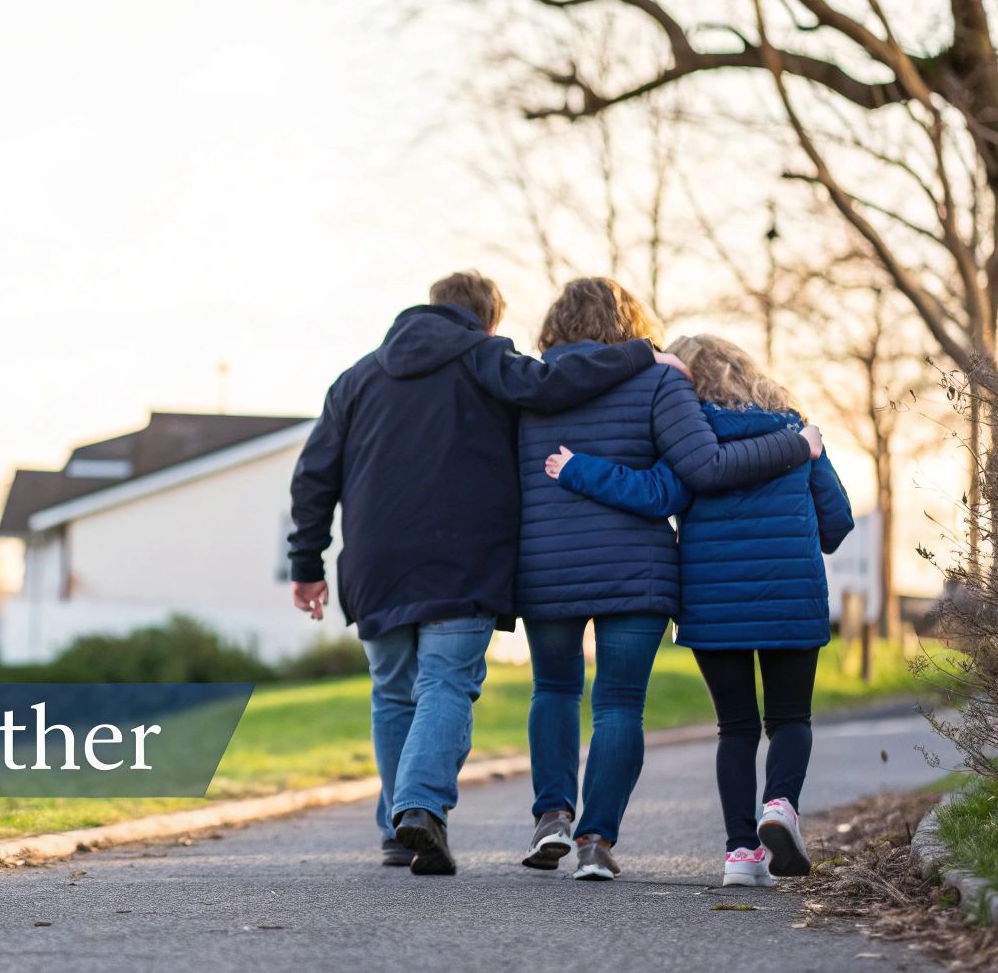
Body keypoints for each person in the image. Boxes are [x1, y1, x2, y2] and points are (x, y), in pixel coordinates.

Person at [286, 271, 687, 875]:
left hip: (376, 566)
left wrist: (306, 564)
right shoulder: (485, 358)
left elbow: (313, 476)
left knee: (394, 692)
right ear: (490, 321)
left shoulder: (355, 380)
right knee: (445, 683)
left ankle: (401, 825)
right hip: (461, 561)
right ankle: (420, 809)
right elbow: (553, 384)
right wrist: (643, 353)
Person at [512, 278, 823, 882]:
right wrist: (795, 445)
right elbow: (697, 471)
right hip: (637, 570)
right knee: (619, 704)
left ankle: (551, 815)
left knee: (552, 689)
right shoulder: (659, 382)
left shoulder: (526, 389)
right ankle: (596, 842)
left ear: (556, 325)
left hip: (546, 565)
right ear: (630, 326)